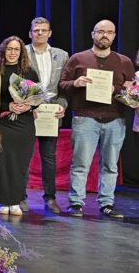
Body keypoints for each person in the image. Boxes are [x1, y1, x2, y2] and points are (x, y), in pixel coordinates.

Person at [59, 19, 134, 219]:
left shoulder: (124, 61)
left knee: (110, 165)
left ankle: (107, 204)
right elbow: (62, 85)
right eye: (101, 31)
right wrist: (75, 82)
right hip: (85, 118)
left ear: (114, 36)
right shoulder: (78, 58)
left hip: (115, 119)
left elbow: (131, 91)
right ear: (93, 34)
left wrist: (117, 89)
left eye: (109, 32)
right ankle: (76, 203)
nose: (105, 35)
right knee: (80, 164)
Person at [0, 37, 39, 216]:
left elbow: (38, 97)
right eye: (9, 49)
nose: (12, 53)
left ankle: (16, 201)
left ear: (21, 52)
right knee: (4, 162)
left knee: (21, 163)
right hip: (4, 123)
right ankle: (5, 201)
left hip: (24, 124)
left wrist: (29, 105)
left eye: (16, 50)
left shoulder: (29, 72)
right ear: (3, 51)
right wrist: (7, 106)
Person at [24, 17, 68, 213]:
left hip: (51, 114)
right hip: (28, 112)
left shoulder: (62, 55)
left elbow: (64, 87)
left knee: (49, 157)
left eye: (43, 30)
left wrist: (62, 106)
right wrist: (27, 104)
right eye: (36, 30)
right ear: (30, 33)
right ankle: (20, 197)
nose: (40, 33)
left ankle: (50, 198)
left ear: (50, 33)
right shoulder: (22, 52)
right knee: (24, 156)